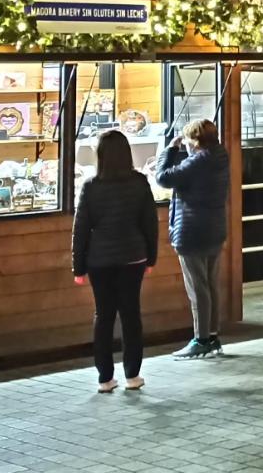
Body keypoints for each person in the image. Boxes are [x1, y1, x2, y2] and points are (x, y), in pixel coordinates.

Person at [72, 129, 159, 392]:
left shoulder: (91, 186)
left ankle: (105, 378)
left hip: (99, 260)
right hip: (133, 257)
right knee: (131, 315)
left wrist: (78, 267)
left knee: (104, 315)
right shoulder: (140, 182)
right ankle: (132, 375)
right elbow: (150, 224)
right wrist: (151, 258)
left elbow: (81, 228)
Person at [153, 117, 230, 359]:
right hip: (214, 228)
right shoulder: (220, 157)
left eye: (188, 139)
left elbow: (163, 178)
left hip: (192, 230)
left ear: (196, 141)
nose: (185, 143)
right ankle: (213, 334)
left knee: (197, 288)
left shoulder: (197, 162)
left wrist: (169, 149)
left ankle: (201, 339)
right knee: (210, 285)